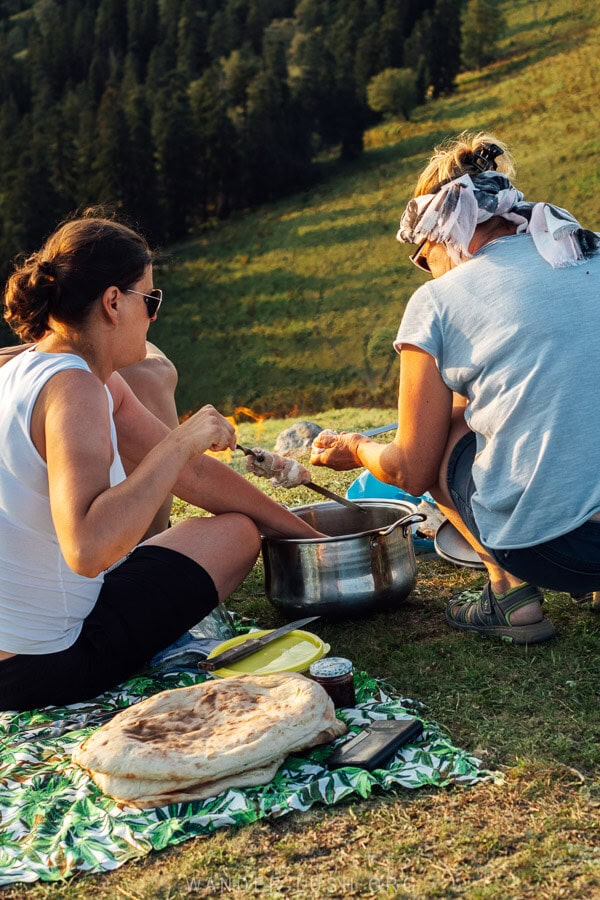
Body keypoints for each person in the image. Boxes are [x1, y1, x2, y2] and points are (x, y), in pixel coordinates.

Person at [0, 212, 321, 711]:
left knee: (236, 524)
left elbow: (194, 475)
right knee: (237, 535)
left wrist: (310, 539)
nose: (153, 316)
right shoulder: (76, 388)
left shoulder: (31, 367)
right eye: (150, 300)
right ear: (112, 303)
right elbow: (87, 549)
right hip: (42, 666)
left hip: (14, 644)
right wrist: (179, 443)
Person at [311, 131, 600, 645]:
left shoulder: (439, 300)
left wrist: (355, 447)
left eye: (423, 258)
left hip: (564, 552)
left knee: (439, 434)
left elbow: (411, 467)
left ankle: (509, 595)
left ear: (443, 232)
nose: (426, 271)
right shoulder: (585, 251)